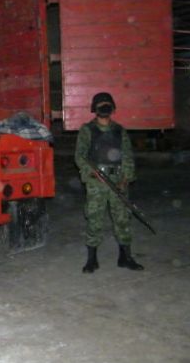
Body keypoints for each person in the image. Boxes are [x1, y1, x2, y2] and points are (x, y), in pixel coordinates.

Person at [74, 92, 144, 273]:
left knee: (122, 219)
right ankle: (92, 259)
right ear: (94, 109)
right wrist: (92, 172)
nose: (104, 107)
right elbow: (80, 156)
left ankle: (125, 257)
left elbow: (128, 156)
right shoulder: (87, 130)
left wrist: (125, 179)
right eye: (101, 104)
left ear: (112, 107)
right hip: (96, 181)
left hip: (118, 180)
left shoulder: (120, 131)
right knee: (94, 219)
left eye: (107, 104)